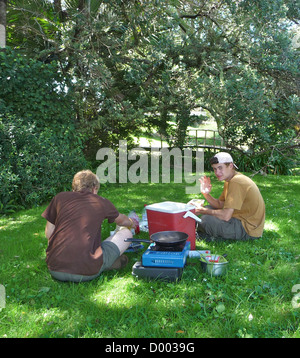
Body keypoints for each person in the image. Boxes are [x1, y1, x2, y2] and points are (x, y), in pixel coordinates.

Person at [41, 170, 136, 282]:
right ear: (94, 188)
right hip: (87, 271)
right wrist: (131, 223)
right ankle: (105, 262)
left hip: (55, 268)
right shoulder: (101, 201)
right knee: (126, 233)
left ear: (74, 188)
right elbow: (122, 221)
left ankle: (95, 261)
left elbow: (49, 233)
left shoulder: (59, 198)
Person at [193, 152, 265, 241]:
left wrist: (204, 211)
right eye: (215, 169)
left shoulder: (237, 181)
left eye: (220, 168)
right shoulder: (230, 180)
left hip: (248, 229)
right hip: (240, 220)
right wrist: (205, 194)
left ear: (230, 166)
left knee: (206, 220)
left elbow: (225, 216)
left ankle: (208, 235)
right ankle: (203, 231)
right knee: (208, 208)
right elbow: (220, 204)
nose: (217, 172)